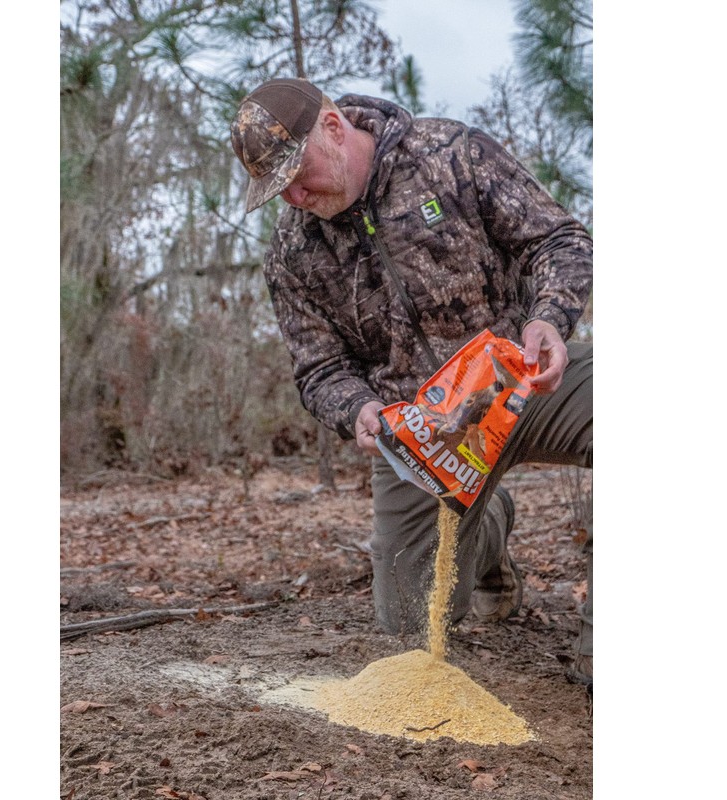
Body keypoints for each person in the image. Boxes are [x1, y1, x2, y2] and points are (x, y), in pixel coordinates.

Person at [230, 77, 593, 689]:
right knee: (408, 624)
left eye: (296, 173)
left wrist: (549, 318)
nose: (293, 196)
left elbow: (558, 239)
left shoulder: (450, 153)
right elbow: (319, 368)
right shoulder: (292, 252)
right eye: (277, 189)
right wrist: (358, 408)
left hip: (523, 380)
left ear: (334, 127)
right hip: (419, 433)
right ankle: (488, 524)